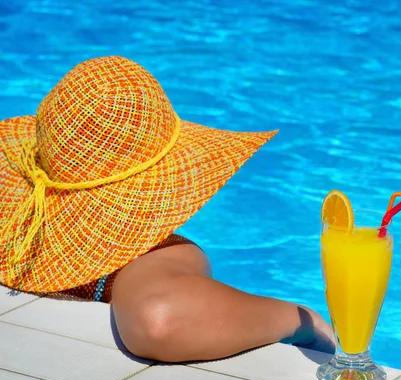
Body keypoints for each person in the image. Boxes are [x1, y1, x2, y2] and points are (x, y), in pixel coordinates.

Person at [0, 56, 334, 362]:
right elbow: (158, 321)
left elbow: (159, 318)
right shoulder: (159, 255)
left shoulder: (15, 229)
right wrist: (302, 321)